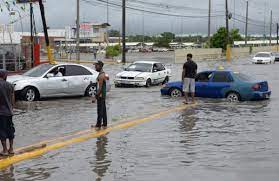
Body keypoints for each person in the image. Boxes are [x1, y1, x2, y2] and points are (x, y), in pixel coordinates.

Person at [0, 70, 15, 156]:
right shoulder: (10, 85)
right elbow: (13, 100)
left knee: (2, 131)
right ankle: (11, 149)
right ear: (5, 76)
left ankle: (5, 150)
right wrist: (12, 109)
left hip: (1, 113)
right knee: (10, 130)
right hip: (9, 112)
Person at [92, 61, 107, 129]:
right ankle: (104, 124)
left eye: (96, 65)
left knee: (100, 110)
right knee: (103, 110)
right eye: (95, 65)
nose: (95, 67)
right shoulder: (102, 74)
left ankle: (98, 125)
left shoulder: (101, 75)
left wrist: (95, 96)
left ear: (100, 66)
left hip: (100, 95)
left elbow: (100, 88)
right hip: (102, 95)